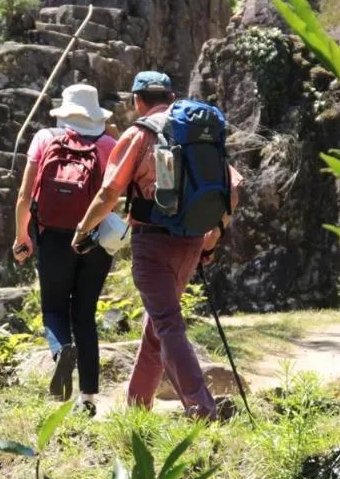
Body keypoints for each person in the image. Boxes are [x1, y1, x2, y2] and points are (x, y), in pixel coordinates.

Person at [73, 72, 241, 421]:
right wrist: (213, 238)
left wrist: (82, 229)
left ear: (137, 100)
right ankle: (136, 409)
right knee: (157, 327)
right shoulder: (194, 131)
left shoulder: (140, 134)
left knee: (167, 326)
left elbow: (108, 193)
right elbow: (233, 189)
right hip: (192, 241)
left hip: (153, 242)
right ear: (171, 95)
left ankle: (202, 410)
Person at [13, 83, 117, 416]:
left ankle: (62, 353)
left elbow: (25, 196)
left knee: (54, 309)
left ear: (64, 112)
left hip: (53, 235)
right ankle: (87, 400)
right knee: (84, 315)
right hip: (94, 237)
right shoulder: (110, 145)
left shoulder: (44, 138)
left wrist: (22, 237)